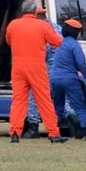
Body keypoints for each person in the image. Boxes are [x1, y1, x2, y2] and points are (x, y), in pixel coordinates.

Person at [5, 0, 67, 143]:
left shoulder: (13, 25)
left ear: (22, 11)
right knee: (44, 100)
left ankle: (15, 133)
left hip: (18, 66)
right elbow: (57, 42)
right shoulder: (43, 26)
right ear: (35, 12)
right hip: (37, 67)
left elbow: (9, 41)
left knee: (18, 100)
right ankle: (53, 133)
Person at [23, 7, 72, 139]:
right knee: (60, 98)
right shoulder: (56, 27)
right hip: (63, 69)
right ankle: (79, 125)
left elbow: (43, 51)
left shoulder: (42, 28)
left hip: (48, 70)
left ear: (37, 16)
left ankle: (33, 128)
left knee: (34, 96)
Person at [50, 19, 86, 141]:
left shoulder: (58, 42)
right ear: (76, 32)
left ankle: (54, 132)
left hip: (55, 78)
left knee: (57, 106)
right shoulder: (74, 44)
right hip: (69, 78)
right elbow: (81, 63)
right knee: (79, 105)